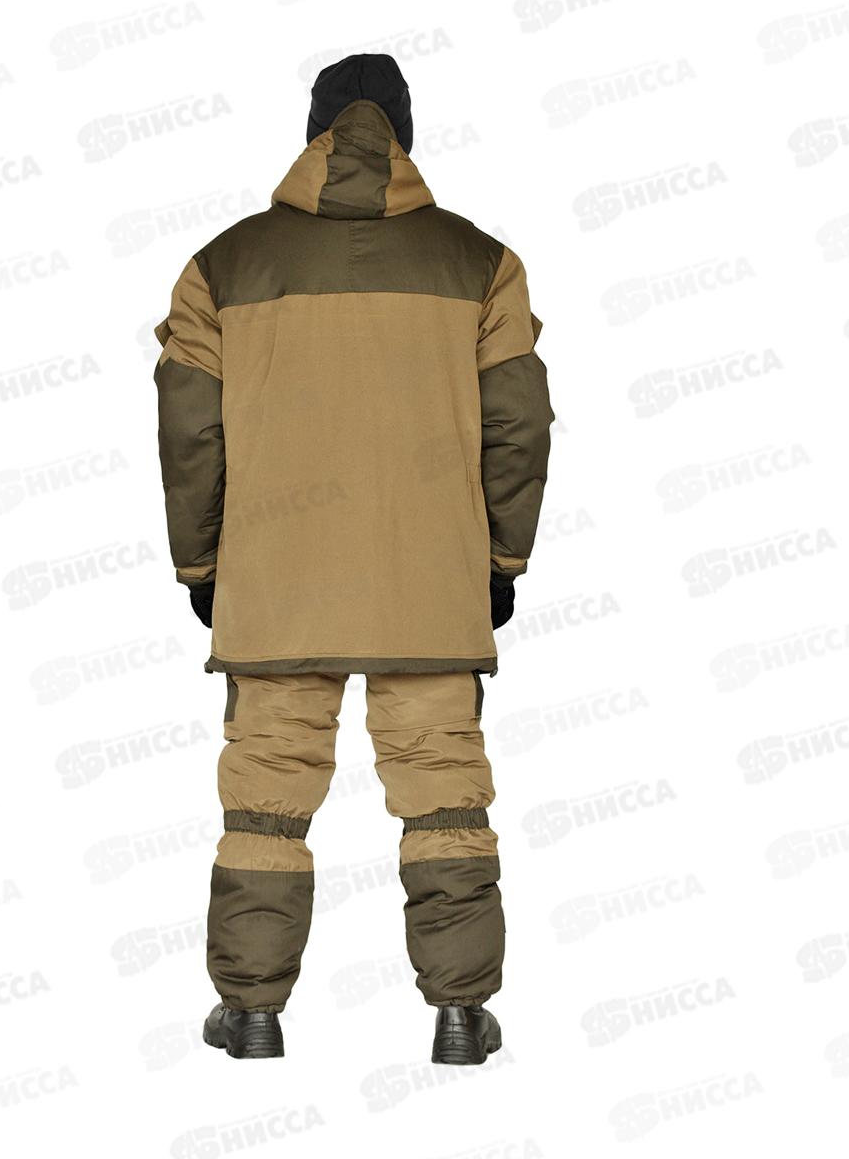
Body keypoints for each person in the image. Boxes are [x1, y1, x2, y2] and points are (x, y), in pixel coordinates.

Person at [151, 53, 553, 1063]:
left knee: (265, 800)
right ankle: (459, 1012)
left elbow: (188, 431)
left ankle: (252, 1012)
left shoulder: (224, 266)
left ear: (311, 132)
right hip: (431, 587)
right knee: (445, 793)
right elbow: (520, 425)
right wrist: (500, 561)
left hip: (276, 588)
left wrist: (201, 568)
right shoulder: (481, 264)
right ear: (405, 135)